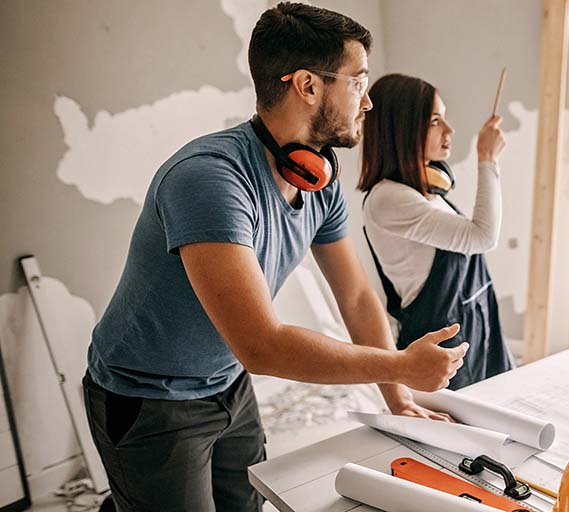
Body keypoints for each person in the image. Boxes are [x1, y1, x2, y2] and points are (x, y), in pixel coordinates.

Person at [83, 4, 466, 511]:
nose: (367, 101)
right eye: (357, 82)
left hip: (227, 386)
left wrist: (398, 396)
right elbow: (262, 346)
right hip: (150, 399)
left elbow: (353, 296)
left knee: (248, 505)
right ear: (308, 85)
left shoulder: (319, 177)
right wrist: (401, 363)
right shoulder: (210, 180)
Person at [358, 73, 514, 390]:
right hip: (441, 344)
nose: (449, 130)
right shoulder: (389, 199)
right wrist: (487, 159)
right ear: (402, 128)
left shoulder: (425, 191)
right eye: (434, 121)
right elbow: (482, 236)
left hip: (478, 325)